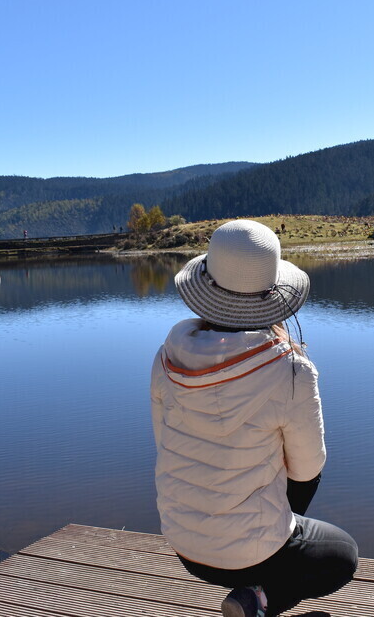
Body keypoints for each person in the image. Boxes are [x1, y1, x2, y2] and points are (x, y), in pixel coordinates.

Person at [150, 219, 357, 617]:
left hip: (184, 545)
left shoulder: (166, 358)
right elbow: (308, 469)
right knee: (343, 554)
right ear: (272, 293)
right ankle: (261, 599)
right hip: (249, 553)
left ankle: (253, 591)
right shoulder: (290, 370)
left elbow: (165, 444)